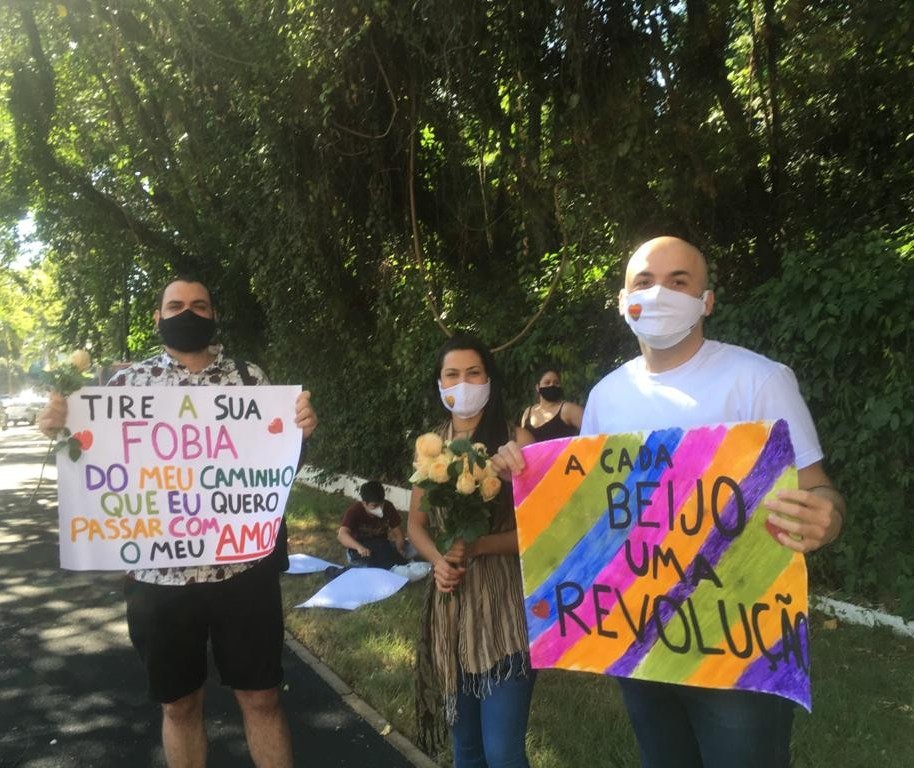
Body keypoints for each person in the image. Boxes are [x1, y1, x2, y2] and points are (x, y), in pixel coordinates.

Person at [493, 236, 846, 768]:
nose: (659, 293)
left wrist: (828, 517)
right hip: (639, 642)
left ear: (706, 301)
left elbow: (819, 488)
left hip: (738, 649)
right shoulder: (608, 395)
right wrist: (525, 473)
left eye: (679, 281)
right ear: (621, 301)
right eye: (644, 281)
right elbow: (587, 509)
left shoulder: (760, 380)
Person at [38, 276, 318, 768]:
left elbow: (273, 462)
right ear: (158, 317)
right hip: (158, 579)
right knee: (179, 705)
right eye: (176, 305)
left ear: (213, 314)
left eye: (199, 305)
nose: (188, 313)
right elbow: (92, 465)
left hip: (242, 570)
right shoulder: (124, 387)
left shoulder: (252, 380)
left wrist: (301, 432)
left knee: (262, 699)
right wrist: (60, 427)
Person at [408, 333, 536, 768]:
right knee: (466, 750)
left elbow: (538, 532)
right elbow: (416, 523)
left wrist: (478, 544)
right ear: (440, 383)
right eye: (452, 374)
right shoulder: (430, 447)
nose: (463, 383)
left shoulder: (517, 441)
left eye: (473, 372)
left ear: (489, 379)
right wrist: (438, 560)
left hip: (504, 612)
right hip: (449, 613)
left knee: (503, 753)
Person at [338, 480, 410, 568]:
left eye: (381, 504)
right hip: (360, 551)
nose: (380, 508)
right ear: (364, 503)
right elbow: (342, 535)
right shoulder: (354, 511)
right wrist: (359, 548)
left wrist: (399, 548)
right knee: (373, 565)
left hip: (382, 546)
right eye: (375, 506)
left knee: (414, 545)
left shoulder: (388, 507)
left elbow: (398, 534)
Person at [520, 368, 583, 441]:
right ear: (537, 387)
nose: (552, 385)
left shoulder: (568, 409)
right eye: (547, 382)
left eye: (556, 383)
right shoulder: (528, 412)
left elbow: (592, 428)